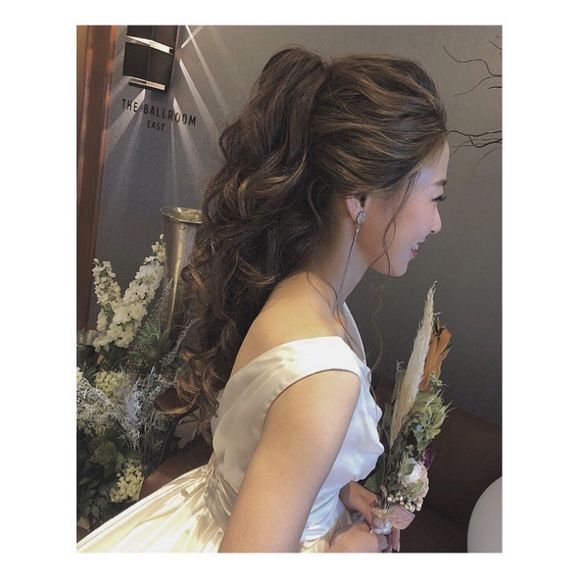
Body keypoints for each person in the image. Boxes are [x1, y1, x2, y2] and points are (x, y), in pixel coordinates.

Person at [77, 44, 449, 553]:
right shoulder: (326, 376)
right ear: (362, 197)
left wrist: (333, 491)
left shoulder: (303, 294)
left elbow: (268, 442)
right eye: (435, 197)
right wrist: (350, 553)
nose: (436, 223)